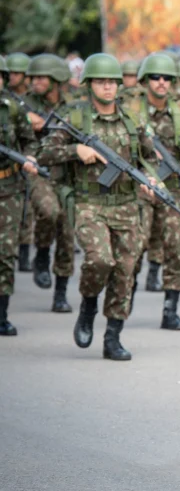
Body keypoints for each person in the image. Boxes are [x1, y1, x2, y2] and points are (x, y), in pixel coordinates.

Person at [37, 53, 161, 360]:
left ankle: (113, 337)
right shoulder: (75, 118)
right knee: (100, 260)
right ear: (89, 84)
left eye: (112, 82)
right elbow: (44, 154)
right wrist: (76, 149)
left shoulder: (133, 120)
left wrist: (151, 179)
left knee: (125, 272)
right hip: (89, 203)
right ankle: (88, 303)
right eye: (101, 82)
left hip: (127, 205)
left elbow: (150, 159)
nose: (107, 88)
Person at [125, 53, 180, 330]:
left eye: (167, 78)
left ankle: (170, 309)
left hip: (172, 192)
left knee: (176, 249)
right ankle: (125, 298)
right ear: (146, 80)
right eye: (156, 77)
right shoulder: (131, 113)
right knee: (134, 249)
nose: (161, 82)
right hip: (140, 191)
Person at [23, 54, 77, 312]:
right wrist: (26, 120)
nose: (36, 81)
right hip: (37, 171)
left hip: (66, 174)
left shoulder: (73, 106)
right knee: (48, 211)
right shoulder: (20, 104)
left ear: (57, 80)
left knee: (67, 233)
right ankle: (42, 251)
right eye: (33, 77)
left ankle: (61, 293)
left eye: (42, 77)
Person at [0, 56, 42, 336]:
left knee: (5, 252)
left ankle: (1, 314)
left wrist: (29, 157)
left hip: (8, 187)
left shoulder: (13, 107)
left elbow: (30, 141)